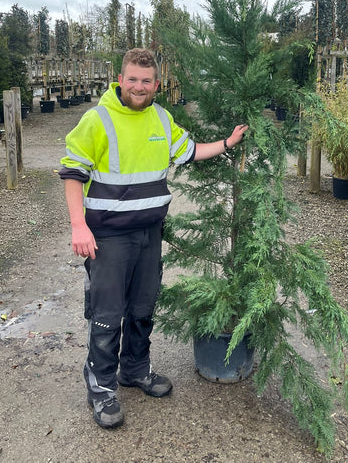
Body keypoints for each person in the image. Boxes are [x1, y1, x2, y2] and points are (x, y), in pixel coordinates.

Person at [60, 48, 248, 429]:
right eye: (132, 79)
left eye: (146, 81)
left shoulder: (161, 118)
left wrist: (227, 143)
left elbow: (189, 151)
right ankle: (101, 387)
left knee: (143, 307)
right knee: (108, 314)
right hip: (108, 237)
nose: (139, 87)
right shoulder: (97, 120)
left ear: (157, 85)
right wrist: (78, 226)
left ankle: (135, 369)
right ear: (120, 80)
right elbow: (72, 173)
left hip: (149, 233)